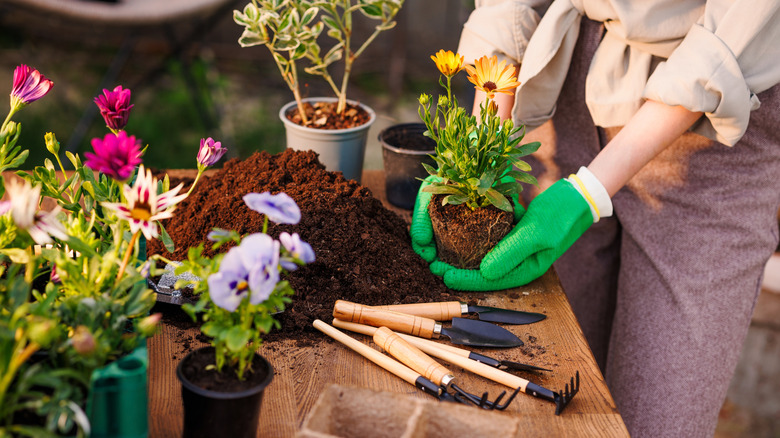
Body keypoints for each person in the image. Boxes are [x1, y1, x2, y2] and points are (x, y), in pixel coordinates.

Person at [409, 1, 780, 436]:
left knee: (658, 423)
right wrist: (477, 147)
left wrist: (588, 192)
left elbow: (740, 30)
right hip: (564, 88)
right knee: (541, 399)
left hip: (711, 131)